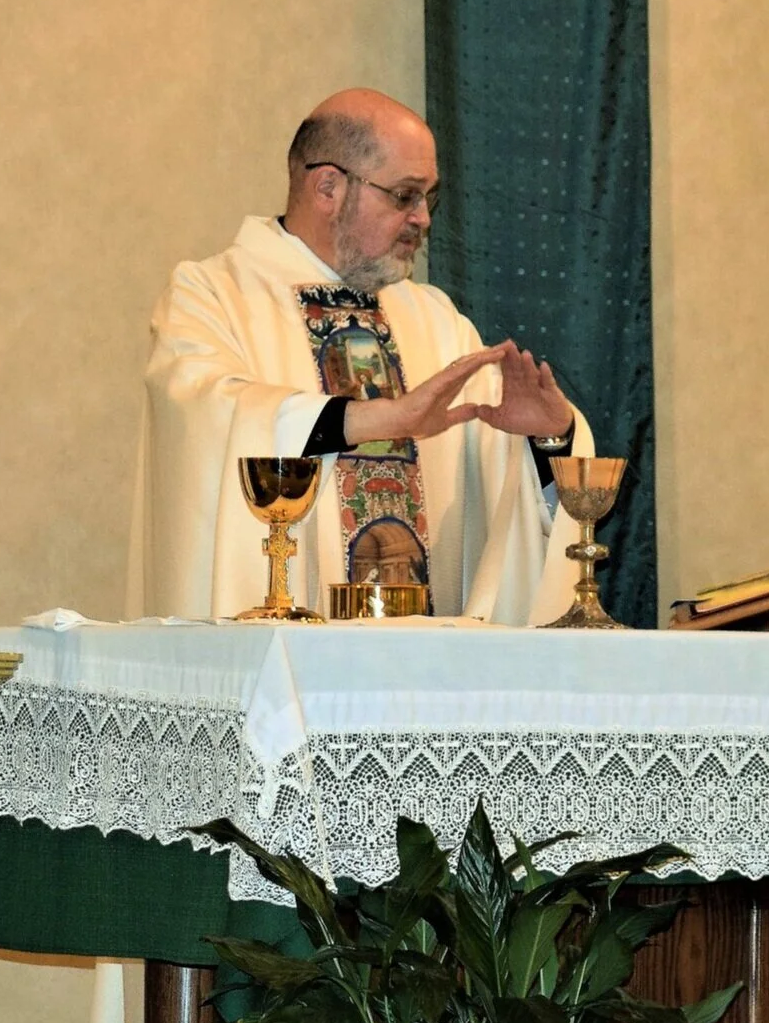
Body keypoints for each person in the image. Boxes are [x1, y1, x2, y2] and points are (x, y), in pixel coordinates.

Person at [127, 87, 590, 623]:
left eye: (428, 198)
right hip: (288, 677)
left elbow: (507, 495)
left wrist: (547, 439)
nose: (423, 219)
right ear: (327, 186)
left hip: (428, 669)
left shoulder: (436, 320)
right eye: (404, 196)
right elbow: (206, 416)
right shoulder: (212, 296)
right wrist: (378, 418)